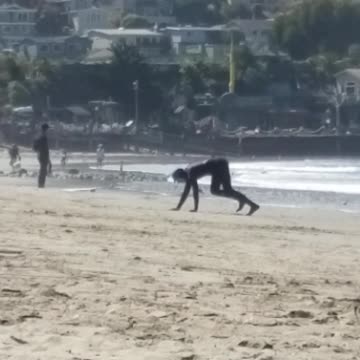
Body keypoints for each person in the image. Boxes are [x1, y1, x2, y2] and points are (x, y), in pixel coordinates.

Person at [172, 158, 259, 216]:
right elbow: (187, 191)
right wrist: (179, 207)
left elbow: (194, 191)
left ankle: (248, 203)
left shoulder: (190, 174)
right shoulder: (189, 171)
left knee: (217, 190)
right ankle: (246, 202)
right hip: (220, 164)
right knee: (224, 190)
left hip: (218, 166)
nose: (181, 181)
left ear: (181, 176)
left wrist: (195, 208)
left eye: (179, 179)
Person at [33, 123, 52, 188]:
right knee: (43, 170)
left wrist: (39, 151)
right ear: (46, 129)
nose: (48, 130)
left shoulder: (38, 136)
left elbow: (35, 147)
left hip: (40, 154)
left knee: (42, 169)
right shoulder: (44, 137)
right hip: (44, 154)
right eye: (48, 129)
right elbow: (45, 148)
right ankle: (41, 185)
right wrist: (48, 157)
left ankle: (40, 184)